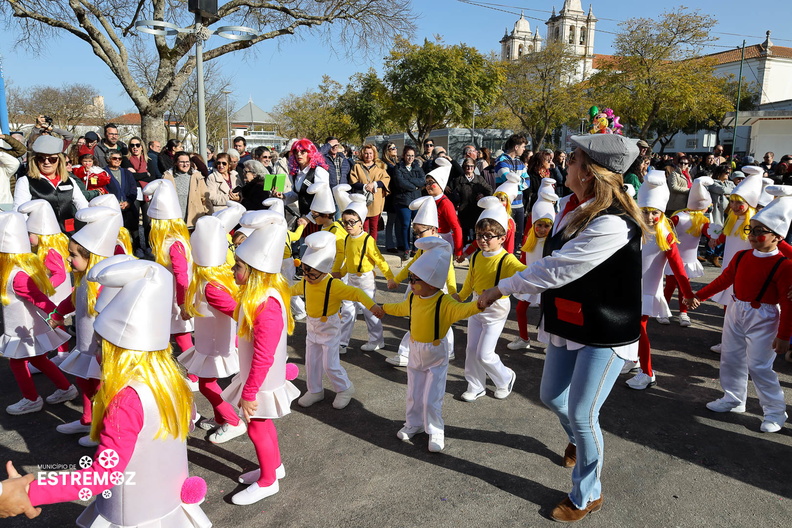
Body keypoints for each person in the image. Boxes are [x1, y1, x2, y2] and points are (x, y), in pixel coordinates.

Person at [478, 134, 646, 522]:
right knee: (553, 397)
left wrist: (501, 288)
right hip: (570, 322)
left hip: (605, 331)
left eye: (572, 160)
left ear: (588, 172)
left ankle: (588, 493)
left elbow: (557, 269)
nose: (565, 165)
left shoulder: (614, 224)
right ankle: (578, 441)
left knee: (584, 413)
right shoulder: (574, 208)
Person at [25, 258, 211, 526]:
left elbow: (105, 475)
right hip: (167, 499)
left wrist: (30, 490)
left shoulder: (126, 400)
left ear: (119, 351)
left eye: (102, 347)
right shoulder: (172, 379)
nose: (97, 354)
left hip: (133, 510)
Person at [687, 193, 792, 433]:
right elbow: (724, 280)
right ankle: (734, 398)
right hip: (736, 310)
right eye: (751, 230)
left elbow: (788, 304)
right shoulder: (742, 256)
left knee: (759, 366)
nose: (753, 236)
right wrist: (699, 296)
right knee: (731, 357)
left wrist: (784, 335)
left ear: (778, 237)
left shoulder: (784, 266)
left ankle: (775, 412)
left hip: (763, 316)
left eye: (759, 231)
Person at [221, 210, 300, 505]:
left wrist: (250, 391)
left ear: (254, 270)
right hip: (258, 376)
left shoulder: (266, 303)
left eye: (238, 266)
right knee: (262, 424)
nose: (232, 270)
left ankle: (268, 481)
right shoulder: (257, 296)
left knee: (256, 426)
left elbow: (265, 354)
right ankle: (273, 468)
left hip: (261, 379)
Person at [380, 237, 481, 452]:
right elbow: (401, 309)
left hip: (436, 355)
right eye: (410, 279)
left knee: (432, 397)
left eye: (415, 280)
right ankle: (413, 423)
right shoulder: (413, 299)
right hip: (415, 351)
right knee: (413, 392)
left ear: (433, 282)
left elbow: (463, 310)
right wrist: (383, 308)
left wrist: (480, 304)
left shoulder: (444, 302)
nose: (411, 284)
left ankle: (435, 430)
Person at [52, 208, 125, 447]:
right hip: (84, 344)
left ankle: (103, 428)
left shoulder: (104, 286)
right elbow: (74, 299)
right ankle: (87, 419)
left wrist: (104, 347)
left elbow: (110, 317)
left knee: (100, 389)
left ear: (91, 257)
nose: (69, 259)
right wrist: (58, 313)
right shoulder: (84, 280)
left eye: (73, 255)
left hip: (98, 347)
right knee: (84, 380)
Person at [292, 231, 383, 409]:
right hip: (312, 327)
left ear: (324, 270)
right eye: (304, 272)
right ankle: (315, 390)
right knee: (312, 361)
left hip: (329, 327)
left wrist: (372, 306)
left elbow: (357, 293)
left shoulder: (334, 285)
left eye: (312, 275)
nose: (307, 278)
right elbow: (289, 291)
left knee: (330, 364)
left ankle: (345, 388)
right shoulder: (304, 282)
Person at [181, 207, 248, 444]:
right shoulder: (210, 281)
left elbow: (236, 311)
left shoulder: (211, 286)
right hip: (208, 342)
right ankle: (222, 418)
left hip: (215, 346)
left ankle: (233, 421)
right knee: (208, 384)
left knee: (208, 386)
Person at [0, 211, 75, 415]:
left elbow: (39, 299)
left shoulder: (17, 276)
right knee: (39, 359)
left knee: (17, 362)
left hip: (24, 330)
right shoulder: (13, 271)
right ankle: (66, 388)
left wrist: (56, 314)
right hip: (22, 328)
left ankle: (31, 399)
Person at [626, 172, 693, 390]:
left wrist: (689, 293)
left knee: (640, 329)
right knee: (631, 328)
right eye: (644, 212)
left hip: (647, 293)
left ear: (662, 214)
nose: (649, 217)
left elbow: (678, 267)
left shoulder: (666, 236)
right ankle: (634, 360)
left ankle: (648, 373)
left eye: (655, 213)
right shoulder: (632, 231)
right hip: (629, 289)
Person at [455, 198, 525, 402]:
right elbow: (470, 280)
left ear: (502, 238)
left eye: (488, 236)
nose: (483, 240)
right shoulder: (477, 256)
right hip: (475, 306)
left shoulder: (507, 259)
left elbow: (524, 274)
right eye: (479, 235)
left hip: (496, 309)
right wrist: (460, 296)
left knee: (485, 354)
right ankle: (476, 385)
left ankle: (505, 378)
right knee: (471, 349)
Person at [385, 196, 458, 367]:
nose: (417, 236)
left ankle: (405, 353)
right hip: (419, 289)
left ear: (433, 229)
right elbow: (411, 265)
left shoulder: (441, 247)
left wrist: (454, 291)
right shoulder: (423, 247)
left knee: (432, 320)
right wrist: (396, 279)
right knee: (431, 321)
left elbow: (450, 271)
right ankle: (449, 350)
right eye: (415, 233)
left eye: (420, 232)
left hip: (437, 291)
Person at [142, 179, 196, 370]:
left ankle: (194, 375)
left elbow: (182, 276)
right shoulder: (175, 240)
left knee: (182, 338)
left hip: (176, 298)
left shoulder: (174, 243)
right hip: (170, 297)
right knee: (174, 336)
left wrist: (183, 303)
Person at [334, 190, 394, 352]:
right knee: (347, 310)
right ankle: (342, 341)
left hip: (365, 279)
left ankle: (377, 340)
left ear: (361, 223)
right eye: (345, 222)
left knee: (370, 311)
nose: (348, 226)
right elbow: (348, 259)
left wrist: (390, 277)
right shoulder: (347, 238)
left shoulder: (367, 240)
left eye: (352, 222)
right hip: (351, 279)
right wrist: (340, 272)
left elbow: (379, 260)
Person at [509, 185, 558, 350]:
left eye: (546, 226)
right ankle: (524, 338)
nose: (542, 229)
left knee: (547, 314)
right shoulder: (530, 240)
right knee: (520, 308)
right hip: (530, 279)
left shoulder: (552, 244)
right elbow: (524, 259)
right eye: (539, 225)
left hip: (546, 282)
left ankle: (549, 342)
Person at [662, 177, 715, 328]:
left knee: (680, 287)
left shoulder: (702, 221)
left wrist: (714, 237)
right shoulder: (679, 217)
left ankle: (683, 312)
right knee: (672, 286)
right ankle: (665, 311)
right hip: (675, 258)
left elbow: (710, 233)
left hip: (688, 259)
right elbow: (667, 231)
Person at [13, 136, 89, 234]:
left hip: (69, 233)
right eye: (41, 158)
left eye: (52, 159)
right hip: (42, 237)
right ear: (35, 160)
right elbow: (19, 212)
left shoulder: (69, 180)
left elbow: (82, 205)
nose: (47, 162)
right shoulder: (25, 181)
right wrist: (31, 234)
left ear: (59, 161)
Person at [348, 143, 390, 242]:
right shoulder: (357, 166)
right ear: (362, 154)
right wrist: (364, 186)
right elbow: (353, 182)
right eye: (366, 153)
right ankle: (363, 246)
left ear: (374, 154)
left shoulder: (380, 166)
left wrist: (374, 184)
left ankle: (372, 247)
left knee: (374, 226)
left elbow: (386, 179)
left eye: (370, 153)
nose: (368, 156)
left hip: (376, 200)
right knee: (363, 226)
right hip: (362, 200)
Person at [494, 134, 529, 251]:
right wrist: (519, 181)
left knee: (517, 236)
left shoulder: (520, 163)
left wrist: (517, 182)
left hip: (520, 205)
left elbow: (527, 181)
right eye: (523, 147)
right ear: (516, 147)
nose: (524, 150)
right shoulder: (501, 160)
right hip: (505, 206)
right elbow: (506, 177)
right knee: (505, 235)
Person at [390, 145, 426, 259]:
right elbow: (400, 183)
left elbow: (422, 181)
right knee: (405, 225)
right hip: (403, 201)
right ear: (404, 156)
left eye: (412, 156)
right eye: (408, 155)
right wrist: (415, 186)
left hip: (416, 200)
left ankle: (415, 249)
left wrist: (410, 181)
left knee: (416, 226)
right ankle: (406, 248)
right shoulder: (398, 168)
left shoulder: (418, 168)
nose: (410, 158)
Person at [425, 159, 463, 259]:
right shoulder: (428, 200)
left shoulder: (446, 203)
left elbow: (456, 227)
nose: (428, 186)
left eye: (431, 182)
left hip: (442, 242)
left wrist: (458, 251)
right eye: (427, 183)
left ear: (440, 184)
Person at [282, 138, 329, 217]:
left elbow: (324, 198)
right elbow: (297, 194)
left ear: (310, 153)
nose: (299, 154)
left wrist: (309, 218)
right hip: (303, 216)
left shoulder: (318, 171)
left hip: (320, 218)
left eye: (303, 152)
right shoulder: (294, 174)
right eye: (296, 152)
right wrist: (283, 196)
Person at [162, 151, 209, 228]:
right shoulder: (167, 176)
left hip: (194, 218)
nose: (185, 164)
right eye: (182, 162)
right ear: (176, 162)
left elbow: (205, 197)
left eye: (187, 162)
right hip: (175, 219)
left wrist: (209, 214)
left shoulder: (197, 176)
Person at [452, 157, 493, 246]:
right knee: (464, 231)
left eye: (471, 166)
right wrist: (457, 203)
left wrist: (483, 196)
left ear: (474, 167)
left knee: (477, 230)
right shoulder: (458, 180)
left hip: (477, 209)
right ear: (463, 167)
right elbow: (454, 193)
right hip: (464, 209)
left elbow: (489, 190)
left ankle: (476, 248)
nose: (469, 168)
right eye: (467, 166)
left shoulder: (479, 179)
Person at [104, 151, 140, 252]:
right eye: (114, 158)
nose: (118, 160)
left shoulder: (127, 173)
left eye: (120, 159)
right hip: (112, 208)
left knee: (131, 230)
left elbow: (133, 188)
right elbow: (103, 190)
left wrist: (128, 202)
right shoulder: (103, 173)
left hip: (128, 206)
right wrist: (114, 203)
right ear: (108, 159)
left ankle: (135, 249)